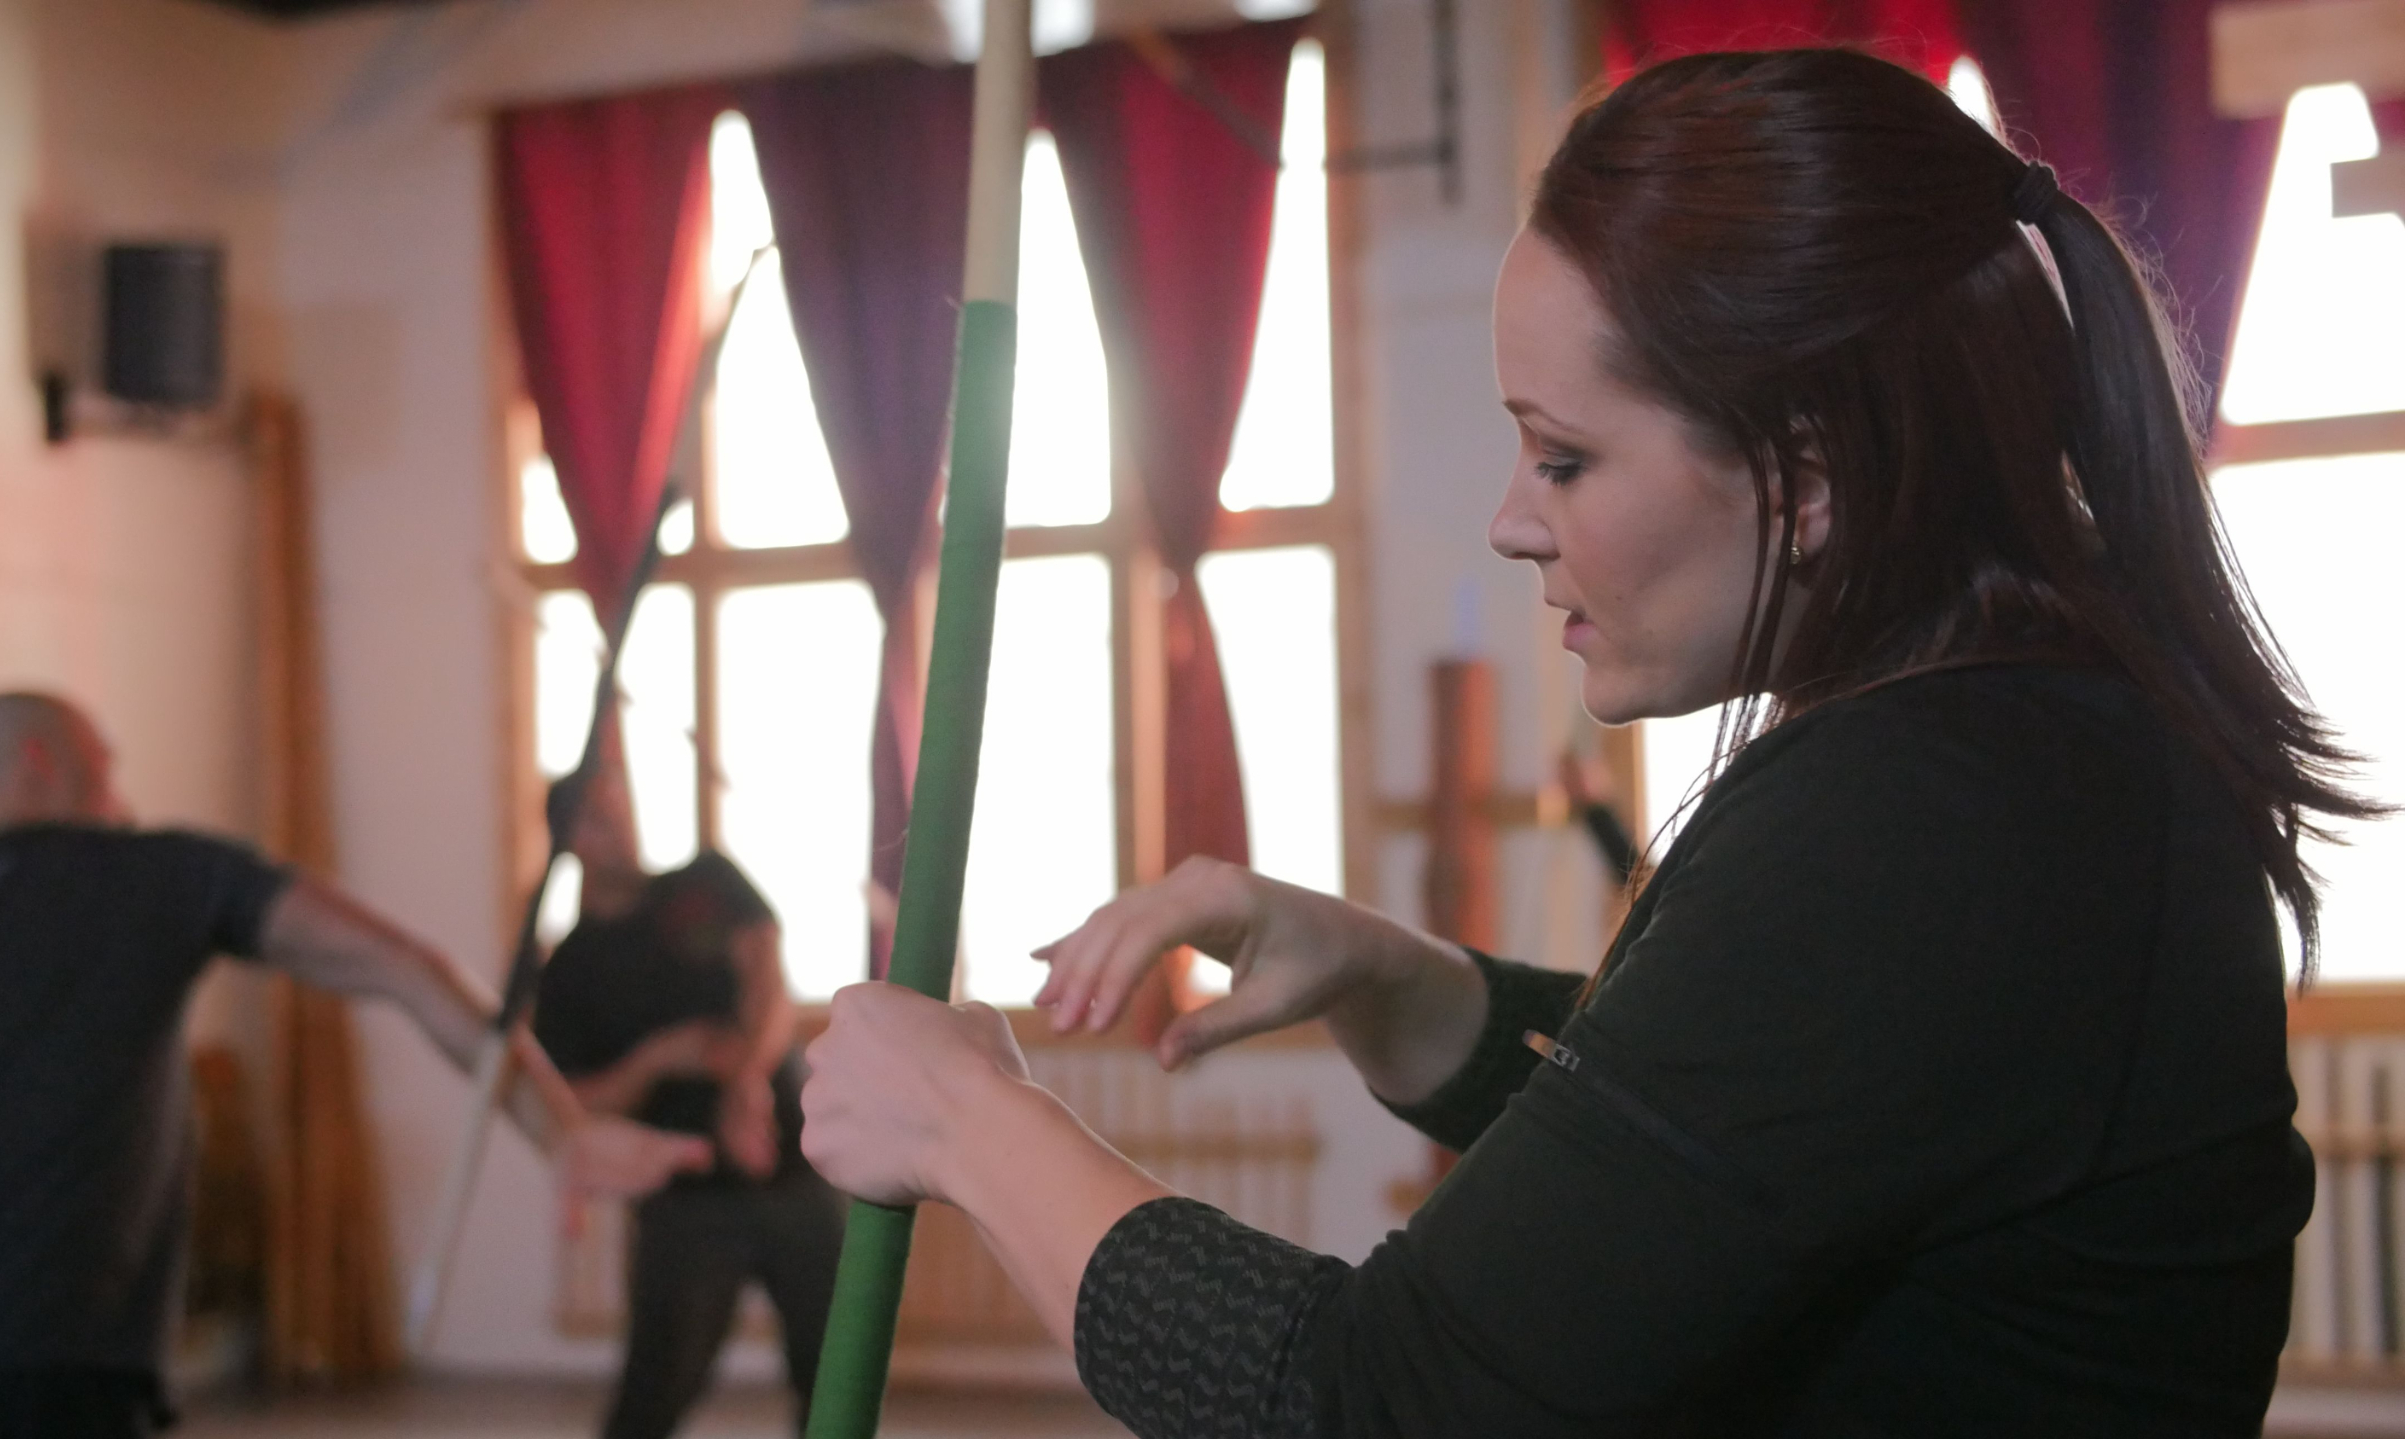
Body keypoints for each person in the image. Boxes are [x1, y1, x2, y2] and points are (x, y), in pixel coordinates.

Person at [796, 48, 2380, 1437]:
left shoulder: (1938, 810)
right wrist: (1392, 977)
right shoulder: (2028, 744)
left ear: (1807, 476)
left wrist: (969, 1122)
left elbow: (1380, 1403)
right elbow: (1706, 1151)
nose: (1511, 520)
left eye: (1563, 458)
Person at [0, 693, 713, 1439]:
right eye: (105, 768)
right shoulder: (152, 870)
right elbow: (404, 965)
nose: (122, 799)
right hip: (49, 1383)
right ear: (42, 761)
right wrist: (559, 1130)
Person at [530, 766, 841, 1439]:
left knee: (835, 1377)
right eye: (596, 816)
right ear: (566, 839)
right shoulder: (570, 969)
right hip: (684, 1197)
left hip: (791, 1168)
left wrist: (745, 1078)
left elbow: (769, 980)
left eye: (620, 805)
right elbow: (566, 1098)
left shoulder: (706, 883)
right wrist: (654, 1061)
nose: (618, 825)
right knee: (656, 1389)